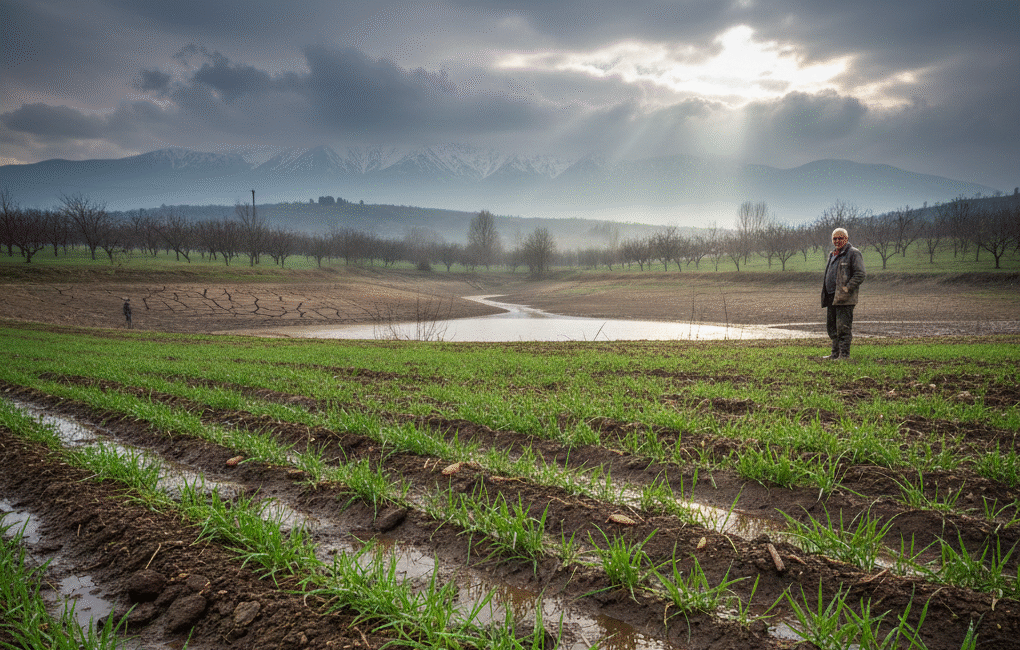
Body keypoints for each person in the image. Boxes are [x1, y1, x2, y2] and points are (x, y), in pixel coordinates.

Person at [821, 228, 865, 360]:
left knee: (843, 328)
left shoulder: (853, 253)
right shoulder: (832, 254)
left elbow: (860, 274)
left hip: (844, 298)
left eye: (840, 238)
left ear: (846, 238)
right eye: (835, 238)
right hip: (831, 297)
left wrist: (848, 288)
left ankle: (844, 355)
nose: (837, 241)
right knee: (832, 327)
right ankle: (835, 354)